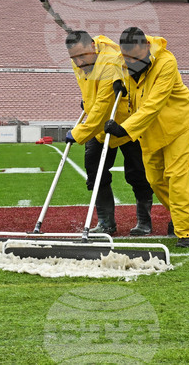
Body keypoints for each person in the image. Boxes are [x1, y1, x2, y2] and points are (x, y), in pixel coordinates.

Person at [104, 26, 189, 248]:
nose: (131, 63)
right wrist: (117, 80)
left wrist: (124, 129)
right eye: (127, 58)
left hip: (177, 125)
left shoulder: (166, 62)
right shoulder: (123, 58)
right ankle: (178, 216)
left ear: (146, 46)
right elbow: (114, 64)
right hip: (149, 129)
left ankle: (187, 232)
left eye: (135, 58)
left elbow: (154, 104)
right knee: (155, 180)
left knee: (177, 175)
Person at [64, 30, 153, 236]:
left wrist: (78, 133)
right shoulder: (79, 61)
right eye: (74, 58)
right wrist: (87, 101)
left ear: (93, 47)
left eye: (82, 56)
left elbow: (103, 106)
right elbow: (90, 90)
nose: (78, 62)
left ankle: (144, 221)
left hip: (126, 123)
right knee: (94, 170)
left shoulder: (110, 62)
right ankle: (106, 222)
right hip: (99, 128)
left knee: (137, 173)